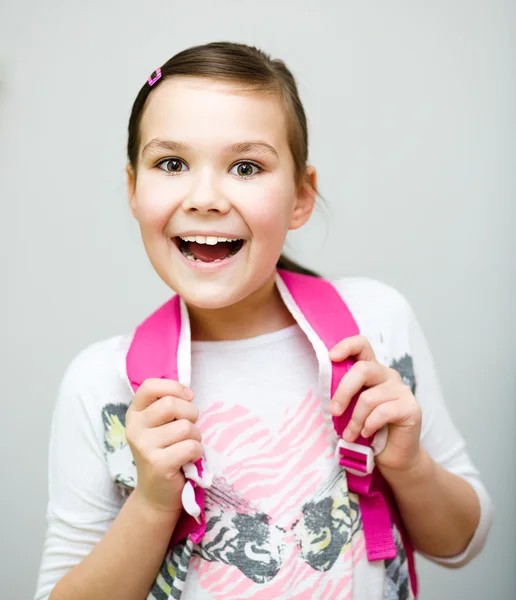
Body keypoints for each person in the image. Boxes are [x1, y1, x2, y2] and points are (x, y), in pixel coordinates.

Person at [34, 41, 493, 600]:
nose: (205, 197)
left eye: (246, 166)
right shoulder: (100, 385)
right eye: (172, 164)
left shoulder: (375, 326)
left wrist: (409, 465)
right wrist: (154, 503)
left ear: (301, 196)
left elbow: (461, 541)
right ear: (133, 188)